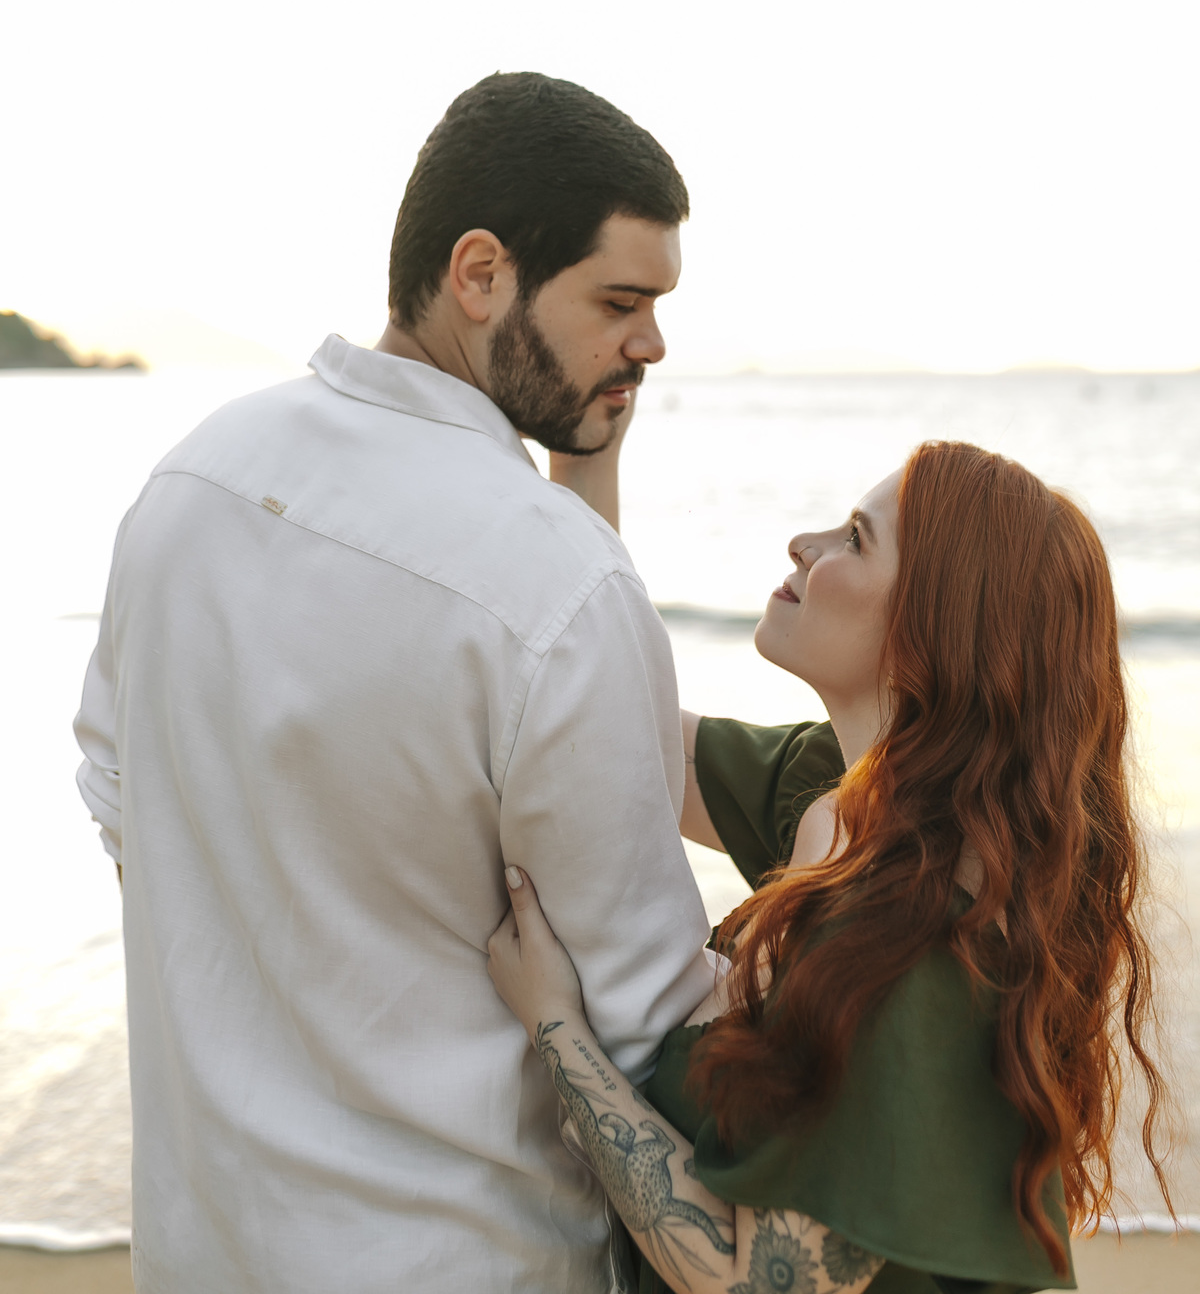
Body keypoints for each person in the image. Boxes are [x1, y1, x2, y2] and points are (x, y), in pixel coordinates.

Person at [74, 71, 716, 1293]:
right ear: (480, 274)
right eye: (620, 301)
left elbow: (121, 803)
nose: (652, 343)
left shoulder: (193, 479)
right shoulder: (559, 588)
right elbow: (647, 1016)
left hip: (205, 1248)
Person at [489, 440, 1173, 1294]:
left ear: (931, 631)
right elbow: (620, 726)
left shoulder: (916, 953)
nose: (803, 544)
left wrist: (557, 1031)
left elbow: (763, 1283)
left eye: (854, 538)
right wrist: (585, 459)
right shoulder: (853, 801)